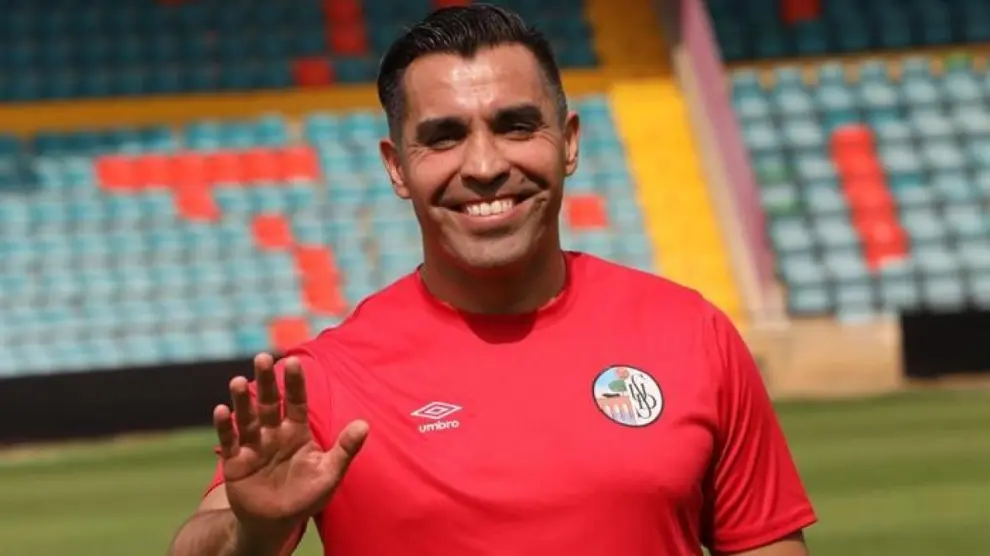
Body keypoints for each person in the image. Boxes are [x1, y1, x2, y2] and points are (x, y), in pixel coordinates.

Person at [167, 5, 817, 556]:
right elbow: (202, 539)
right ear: (396, 168)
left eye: (516, 126)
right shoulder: (322, 380)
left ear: (568, 141)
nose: (483, 165)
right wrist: (253, 532)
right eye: (444, 137)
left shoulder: (692, 334)